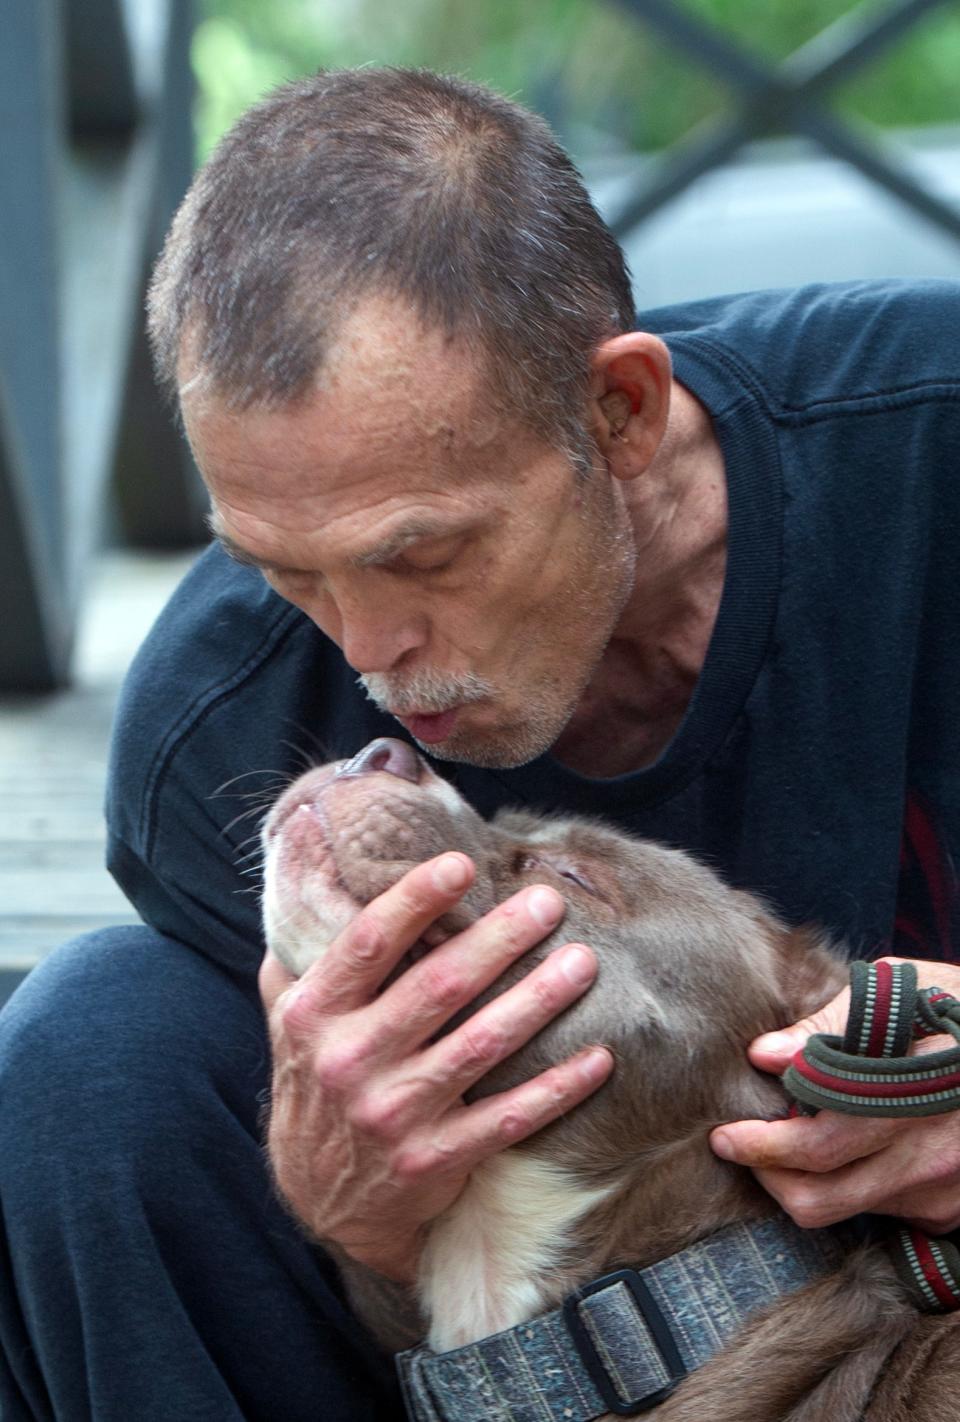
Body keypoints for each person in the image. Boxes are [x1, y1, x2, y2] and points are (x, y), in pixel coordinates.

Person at [1, 65, 958, 1421]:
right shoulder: (222, 715)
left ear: (620, 413)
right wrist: (346, 1206)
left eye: (422, 552)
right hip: (524, 1353)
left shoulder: (933, 441)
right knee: (94, 1050)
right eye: (285, 567)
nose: (364, 650)